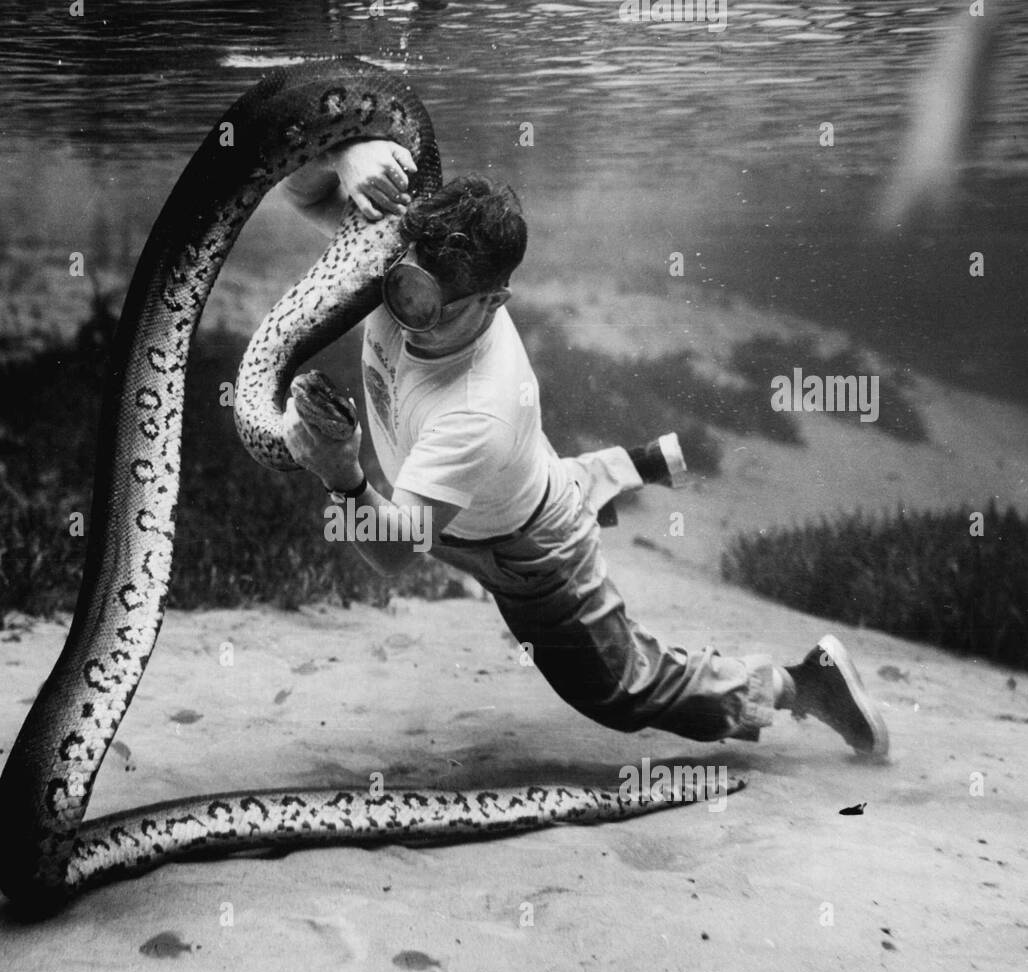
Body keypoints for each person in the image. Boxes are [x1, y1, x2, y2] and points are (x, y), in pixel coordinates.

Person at [280, 139, 889, 757]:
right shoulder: (394, 256)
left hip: (527, 550)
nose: (407, 312)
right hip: (465, 500)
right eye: (403, 287)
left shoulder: (476, 411)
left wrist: (342, 476)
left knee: (622, 696)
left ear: (494, 302)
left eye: (431, 306)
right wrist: (342, 158)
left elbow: (393, 557)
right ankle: (627, 468)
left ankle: (801, 682)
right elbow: (303, 191)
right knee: (509, 479)